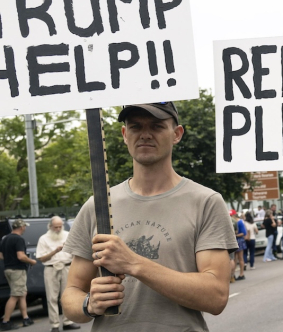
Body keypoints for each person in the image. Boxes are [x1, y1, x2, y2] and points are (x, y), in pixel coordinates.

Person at [62, 102, 237, 331]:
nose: (145, 134)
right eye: (135, 127)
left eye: (156, 126)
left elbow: (216, 297)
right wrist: (89, 304)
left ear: (177, 134)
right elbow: (71, 293)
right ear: (125, 135)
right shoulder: (98, 205)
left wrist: (134, 263)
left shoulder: (205, 201)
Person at [36, 216, 80, 332]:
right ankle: (54, 325)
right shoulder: (43, 239)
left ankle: (68, 321)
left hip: (66, 266)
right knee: (52, 297)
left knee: (67, 295)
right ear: (50, 226)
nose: (58, 229)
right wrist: (55, 251)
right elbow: (41, 258)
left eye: (60, 226)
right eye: (56, 227)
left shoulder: (67, 234)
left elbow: (77, 251)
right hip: (51, 268)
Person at [1, 219, 37, 330]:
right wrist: (32, 261)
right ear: (21, 227)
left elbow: (1, 255)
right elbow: (21, 256)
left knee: (22, 293)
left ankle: (26, 318)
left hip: (8, 269)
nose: (25, 228)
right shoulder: (19, 239)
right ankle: (5, 321)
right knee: (15, 295)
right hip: (17, 270)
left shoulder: (5, 238)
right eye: (24, 227)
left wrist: (9, 259)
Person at [232, 212, 247, 280]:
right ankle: (233, 274)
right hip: (235, 240)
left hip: (239, 240)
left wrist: (235, 235)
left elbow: (244, 233)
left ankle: (241, 274)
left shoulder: (240, 222)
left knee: (240, 258)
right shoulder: (235, 222)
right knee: (234, 259)